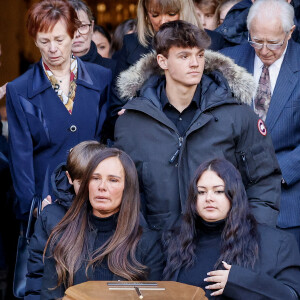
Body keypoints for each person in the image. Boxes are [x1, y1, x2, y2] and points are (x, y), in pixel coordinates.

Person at [114, 20, 281, 231]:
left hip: (222, 246)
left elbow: (264, 180)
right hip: (154, 252)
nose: (195, 63)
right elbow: (124, 193)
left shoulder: (237, 115)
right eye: (184, 56)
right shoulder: (131, 123)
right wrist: (142, 244)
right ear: (162, 61)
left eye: (200, 55)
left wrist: (250, 237)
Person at [6, 0, 112, 220]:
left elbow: (106, 139)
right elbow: (20, 157)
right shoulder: (20, 90)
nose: (52, 48)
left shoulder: (101, 78)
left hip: (94, 200)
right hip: (46, 203)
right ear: (35, 40)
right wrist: (34, 208)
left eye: (59, 39)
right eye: (44, 41)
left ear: (73, 35)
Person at [221, 0, 300, 248]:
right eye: (256, 40)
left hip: (288, 198)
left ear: (290, 32)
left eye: (273, 42)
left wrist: (277, 172)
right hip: (233, 196)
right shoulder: (227, 62)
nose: (264, 50)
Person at [163, 158, 300, 299]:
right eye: (201, 192)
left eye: (219, 191)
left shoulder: (277, 243)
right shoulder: (176, 241)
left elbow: (291, 296)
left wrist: (240, 281)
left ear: (234, 195)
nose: (209, 198)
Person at [39, 148, 163, 299]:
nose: (102, 186)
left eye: (113, 180)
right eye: (95, 178)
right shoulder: (63, 237)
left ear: (127, 188)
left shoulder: (147, 244)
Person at [106, 0, 225, 137]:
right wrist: (130, 116)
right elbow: (116, 110)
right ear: (145, 14)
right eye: (155, 15)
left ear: (185, 10)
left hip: (201, 133)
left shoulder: (213, 41)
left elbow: (222, 98)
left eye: (171, 13)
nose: (163, 20)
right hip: (146, 135)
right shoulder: (132, 45)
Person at [25, 141, 104, 299]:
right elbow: (36, 275)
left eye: (95, 180)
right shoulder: (51, 217)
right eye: (82, 183)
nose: (89, 189)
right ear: (69, 177)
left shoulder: (119, 215)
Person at [69, 0, 116, 73]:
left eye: (83, 26)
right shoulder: (48, 71)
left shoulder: (113, 69)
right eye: (71, 28)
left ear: (92, 27)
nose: (77, 34)